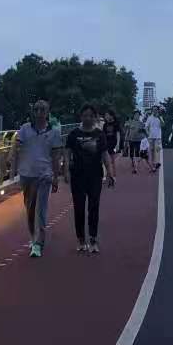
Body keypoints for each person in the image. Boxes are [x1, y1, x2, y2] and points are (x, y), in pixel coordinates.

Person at [14, 100, 65, 258]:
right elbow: (16, 146)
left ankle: (38, 243)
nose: (39, 113)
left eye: (43, 110)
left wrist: (55, 176)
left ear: (47, 112)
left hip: (44, 175)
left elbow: (56, 156)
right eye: (36, 109)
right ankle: (33, 237)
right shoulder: (25, 129)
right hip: (27, 174)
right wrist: (12, 162)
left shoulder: (53, 132)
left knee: (40, 210)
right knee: (29, 209)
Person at [65, 104, 116, 254]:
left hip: (95, 175)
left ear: (95, 118)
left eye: (91, 116)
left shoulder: (100, 135)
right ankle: (81, 239)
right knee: (79, 207)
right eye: (85, 115)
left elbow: (105, 155)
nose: (88, 118)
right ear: (81, 117)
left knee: (94, 206)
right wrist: (66, 170)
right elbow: (67, 153)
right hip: (77, 175)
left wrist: (110, 173)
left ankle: (93, 238)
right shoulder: (73, 134)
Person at [101, 108, 121, 176]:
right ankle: (107, 173)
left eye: (107, 115)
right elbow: (103, 135)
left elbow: (118, 134)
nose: (105, 116)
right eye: (105, 115)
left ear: (111, 115)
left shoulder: (116, 124)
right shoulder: (105, 125)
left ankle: (114, 173)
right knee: (105, 159)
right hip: (106, 144)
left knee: (112, 160)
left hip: (113, 144)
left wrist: (118, 144)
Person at [144, 106, 163, 173]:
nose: (155, 111)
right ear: (152, 111)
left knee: (157, 150)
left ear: (158, 111)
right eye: (154, 110)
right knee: (151, 152)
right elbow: (146, 127)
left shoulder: (160, 118)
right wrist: (148, 133)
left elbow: (163, 125)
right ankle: (153, 166)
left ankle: (157, 163)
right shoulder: (149, 118)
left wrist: (159, 118)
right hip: (151, 137)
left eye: (156, 110)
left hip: (158, 137)